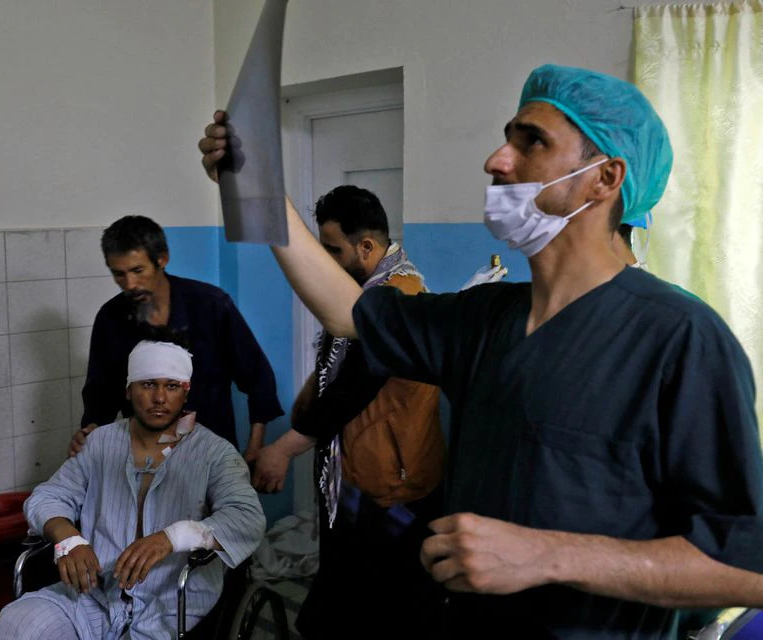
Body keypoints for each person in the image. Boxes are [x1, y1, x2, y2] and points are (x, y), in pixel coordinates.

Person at [199, 64, 763, 638]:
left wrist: (548, 555)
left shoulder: (679, 339)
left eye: (532, 141)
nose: (497, 160)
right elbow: (348, 312)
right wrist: (259, 186)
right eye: (506, 138)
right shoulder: (485, 320)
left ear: (604, 177)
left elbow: (745, 567)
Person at [250, 185, 444, 637]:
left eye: (333, 249)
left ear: (367, 247)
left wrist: (283, 448)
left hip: (392, 481)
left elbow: (356, 385)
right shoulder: (366, 292)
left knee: (387, 597)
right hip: (360, 469)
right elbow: (336, 369)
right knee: (350, 583)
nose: (326, 260)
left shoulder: (401, 295)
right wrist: (307, 401)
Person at [0, 336, 266, 640]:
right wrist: (67, 538)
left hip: (170, 605)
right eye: (148, 384)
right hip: (94, 593)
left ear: (186, 391)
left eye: (172, 386)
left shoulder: (215, 453)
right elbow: (48, 496)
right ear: (128, 390)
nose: (159, 397)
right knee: (18, 622)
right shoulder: (100, 442)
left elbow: (247, 518)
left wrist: (171, 538)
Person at [71, 215, 284, 462]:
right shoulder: (111, 318)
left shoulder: (210, 306)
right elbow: (100, 395)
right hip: (146, 457)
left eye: (138, 271)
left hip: (211, 452)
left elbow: (258, 377)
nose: (130, 284)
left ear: (162, 259)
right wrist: (90, 432)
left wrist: (254, 446)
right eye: (119, 274)